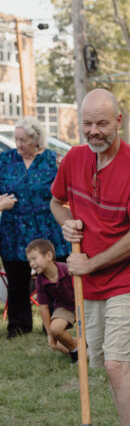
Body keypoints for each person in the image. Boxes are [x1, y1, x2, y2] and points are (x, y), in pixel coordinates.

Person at [50, 88, 130, 426]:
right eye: (87, 124)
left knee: (117, 363)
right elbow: (57, 201)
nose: (94, 131)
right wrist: (66, 221)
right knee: (104, 365)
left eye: (101, 123)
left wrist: (90, 262)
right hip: (89, 285)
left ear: (118, 121)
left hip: (125, 280)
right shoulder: (75, 160)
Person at [0, 117, 69, 339]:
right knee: (18, 280)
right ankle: (19, 327)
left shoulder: (52, 161)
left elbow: (68, 191)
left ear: (36, 139)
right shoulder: (5, 160)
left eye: (24, 140)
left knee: (53, 277)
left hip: (48, 228)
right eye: (16, 139)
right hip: (14, 230)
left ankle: (57, 322)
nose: (19, 144)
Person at [26, 238, 77, 363]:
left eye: (34, 258)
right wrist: (50, 334)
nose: (31, 264)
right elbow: (43, 307)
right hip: (65, 306)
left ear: (49, 255)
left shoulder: (68, 270)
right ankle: (76, 351)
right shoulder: (39, 281)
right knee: (55, 332)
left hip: (84, 303)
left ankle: (87, 346)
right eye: (29, 261)